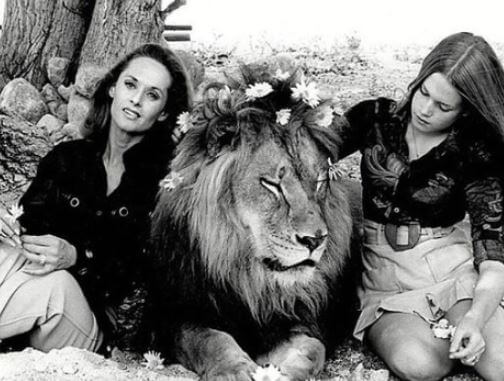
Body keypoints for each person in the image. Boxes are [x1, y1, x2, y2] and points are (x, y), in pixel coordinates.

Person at [0, 43, 191, 352]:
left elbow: (147, 273)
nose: (137, 99)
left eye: (153, 95)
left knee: (56, 289)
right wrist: (8, 225)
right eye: (131, 84)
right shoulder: (67, 158)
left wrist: (77, 256)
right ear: (113, 88)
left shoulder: (166, 184)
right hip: (29, 291)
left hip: (92, 318)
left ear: (164, 113)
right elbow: (26, 222)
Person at [334, 32, 504, 380]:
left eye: (444, 107)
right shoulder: (375, 119)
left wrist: (475, 317)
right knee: (420, 365)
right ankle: (443, 337)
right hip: (385, 275)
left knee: (500, 362)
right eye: (424, 92)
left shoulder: (476, 151)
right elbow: (308, 145)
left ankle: (463, 326)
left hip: (451, 270)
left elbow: (493, 257)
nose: (425, 110)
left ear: (466, 111)